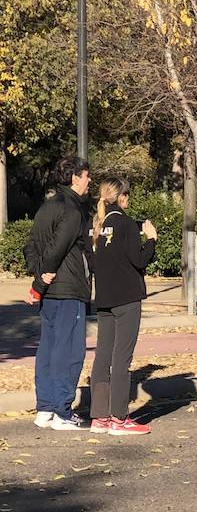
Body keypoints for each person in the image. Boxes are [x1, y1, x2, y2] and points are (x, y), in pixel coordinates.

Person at [26, 155, 92, 431]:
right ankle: (63, 411)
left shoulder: (47, 207)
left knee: (49, 350)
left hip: (53, 292)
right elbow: (57, 248)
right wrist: (40, 283)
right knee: (70, 351)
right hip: (67, 290)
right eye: (87, 176)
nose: (89, 181)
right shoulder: (73, 210)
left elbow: (31, 245)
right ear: (75, 177)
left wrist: (37, 275)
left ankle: (45, 408)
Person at [89, 177, 158, 435]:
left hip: (104, 299)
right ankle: (119, 418)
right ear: (122, 198)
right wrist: (151, 239)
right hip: (127, 299)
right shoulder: (126, 224)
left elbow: (95, 262)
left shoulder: (96, 225)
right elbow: (139, 260)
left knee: (103, 356)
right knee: (121, 359)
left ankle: (99, 417)